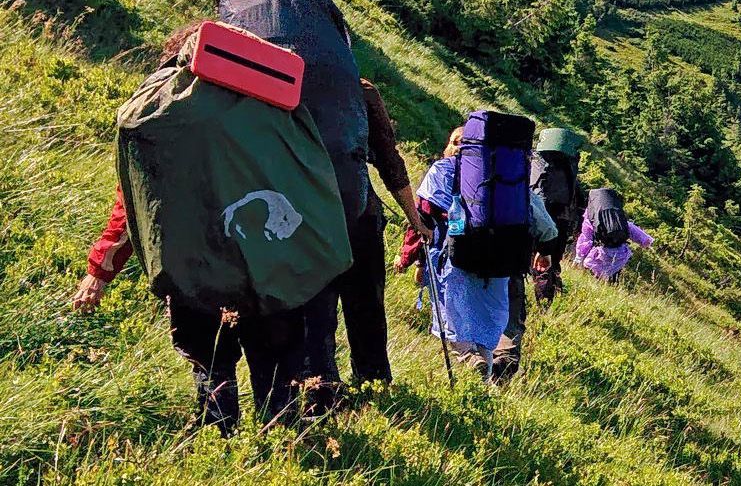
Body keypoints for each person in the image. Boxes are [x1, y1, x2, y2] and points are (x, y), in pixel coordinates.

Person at [72, 22, 305, 435]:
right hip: (267, 260)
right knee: (270, 353)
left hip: (199, 263)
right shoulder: (271, 112)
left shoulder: (170, 118)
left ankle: (220, 435)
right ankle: (284, 438)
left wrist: (100, 270)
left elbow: (136, 202)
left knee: (210, 357)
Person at [300, 79, 430, 411]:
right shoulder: (361, 90)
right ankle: (374, 383)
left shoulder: (293, 81)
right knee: (366, 306)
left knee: (317, 308)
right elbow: (389, 160)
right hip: (361, 213)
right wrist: (415, 220)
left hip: (309, 213)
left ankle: (321, 390)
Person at [410, 127, 511, 379]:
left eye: (461, 143)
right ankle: (484, 380)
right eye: (455, 142)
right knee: (481, 322)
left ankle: (469, 358)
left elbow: (423, 215)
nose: (457, 147)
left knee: (450, 316)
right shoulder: (497, 173)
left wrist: (413, 259)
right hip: (492, 258)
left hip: (450, 256)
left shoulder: (441, 171)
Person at [491, 129, 583, 382]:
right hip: (527, 248)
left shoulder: (530, 172)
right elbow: (551, 224)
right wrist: (546, 250)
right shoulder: (564, 176)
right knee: (512, 312)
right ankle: (503, 365)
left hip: (473, 254)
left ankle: (475, 360)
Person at [574, 187, 653, 281]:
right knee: (611, 282)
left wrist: (579, 257)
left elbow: (586, 238)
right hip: (620, 255)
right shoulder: (616, 214)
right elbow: (631, 229)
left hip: (599, 256)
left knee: (592, 279)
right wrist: (645, 241)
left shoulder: (591, 216)